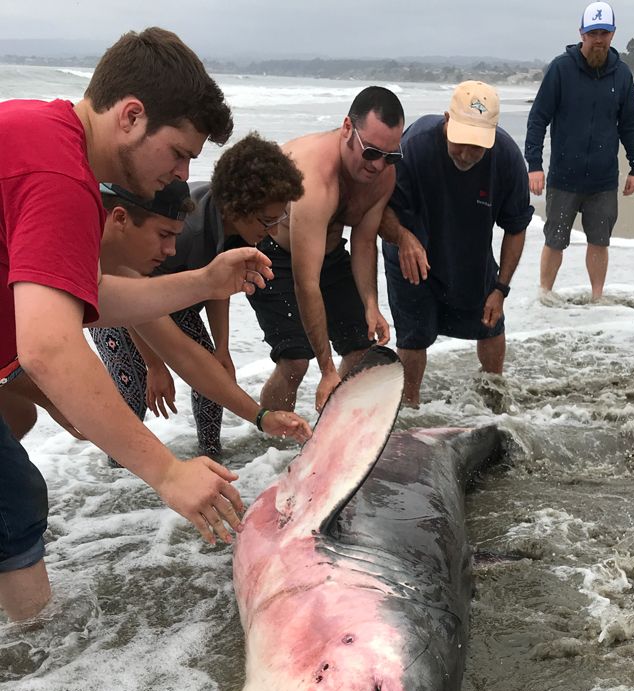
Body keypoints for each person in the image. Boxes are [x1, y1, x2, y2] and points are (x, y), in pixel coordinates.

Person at [0, 27, 277, 622]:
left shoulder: (50, 140)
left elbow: (87, 294)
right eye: (177, 152)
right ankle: (39, 678)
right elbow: (49, 345)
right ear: (130, 117)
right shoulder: (61, 177)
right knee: (16, 502)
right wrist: (167, 473)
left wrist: (205, 282)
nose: (181, 177)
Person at [93, 134, 306, 454]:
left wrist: (223, 350)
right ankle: (118, 466)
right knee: (132, 390)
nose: (274, 231)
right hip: (125, 294)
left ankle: (211, 451)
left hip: (169, 289)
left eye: (279, 220)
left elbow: (216, 288)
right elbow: (135, 299)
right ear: (240, 206)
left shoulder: (240, 228)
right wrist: (154, 365)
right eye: (267, 221)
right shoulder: (182, 233)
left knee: (211, 369)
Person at [248, 87, 404, 413]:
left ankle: (332, 431)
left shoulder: (382, 175)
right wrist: (327, 370)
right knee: (296, 361)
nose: (379, 166)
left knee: (361, 349)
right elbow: (307, 283)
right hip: (274, 253)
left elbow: (363, 242)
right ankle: (272, 441)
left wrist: (371, 305)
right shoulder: (312, 179)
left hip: (331, 255)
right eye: (372, 152)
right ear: (347, 128)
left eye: (391, 156)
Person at [379, 81, 533, 408]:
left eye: (477, 145)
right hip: (410, 254)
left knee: (489, 324)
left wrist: (501, 288)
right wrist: (403, 237)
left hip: (469, 256)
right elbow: (379, 209)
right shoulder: (414, 147)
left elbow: (516, 227)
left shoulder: (506, 159)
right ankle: (409, 411)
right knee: (413, 335)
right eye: (460, 142)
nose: (466, 153)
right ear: (447, 121)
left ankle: (495, 406)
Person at [525, 2, 634, 304]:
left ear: (613, 34)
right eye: (593, 33)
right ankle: (544, 297)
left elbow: (630, 124)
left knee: (599, 241)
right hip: (564, 177)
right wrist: (534, 164)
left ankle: (597, 300)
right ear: (582, 33)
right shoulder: (560, 69)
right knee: (555, 241)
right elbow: (539, 117)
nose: (598, 39)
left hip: (603, 181)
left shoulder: (622, 75)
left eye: (604, 32)